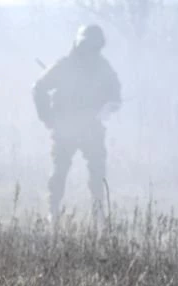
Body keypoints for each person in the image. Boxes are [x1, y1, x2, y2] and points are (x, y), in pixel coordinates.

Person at [33, 24, 122, 222]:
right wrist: (48, 118)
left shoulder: (103, 68)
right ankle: (53, 214)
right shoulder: (64, 66)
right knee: (59, 173)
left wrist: (108, 107)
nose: (91, 51)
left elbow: (116, 95)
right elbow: (39, 88)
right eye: (88, 46)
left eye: (94, 47)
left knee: (97, 175)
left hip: (92, 128)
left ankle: (99, 216)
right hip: (66, 128)